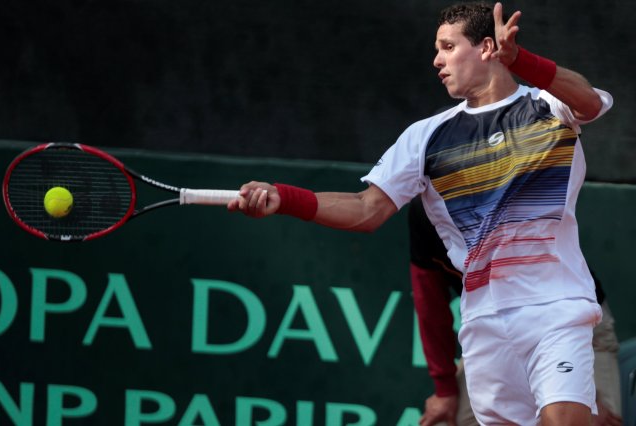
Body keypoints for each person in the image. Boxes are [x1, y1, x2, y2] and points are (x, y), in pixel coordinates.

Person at [228, 2, 614, 424]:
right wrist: (284, 198)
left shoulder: (548, 107)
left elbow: (589, 103)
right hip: (484, 324)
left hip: (556, 308)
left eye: (448, 47)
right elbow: (366, 210)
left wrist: (522, 60)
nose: (437, 60)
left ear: (487, 47)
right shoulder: (424, 137)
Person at [407, 196, 623, 426]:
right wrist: (444, 390)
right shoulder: (424, 209)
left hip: (576, 323)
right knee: (449, 419)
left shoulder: (513, 189)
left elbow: (556, 307)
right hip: (495, 337)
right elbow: (430, 308)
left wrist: (581, 396)